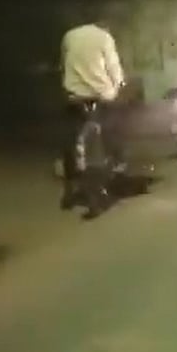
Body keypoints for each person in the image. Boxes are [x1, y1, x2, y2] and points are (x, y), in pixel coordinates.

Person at [60, 12, 129, 217]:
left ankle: (69, 193)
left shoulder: (69, 35)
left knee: (74, 144)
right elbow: (113, 67)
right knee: (103, 143)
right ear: (103, 24)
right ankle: (101, 191)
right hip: (101, 98)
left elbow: (63, 64)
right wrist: (118, 86)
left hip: (74, 97)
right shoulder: (104, 37)